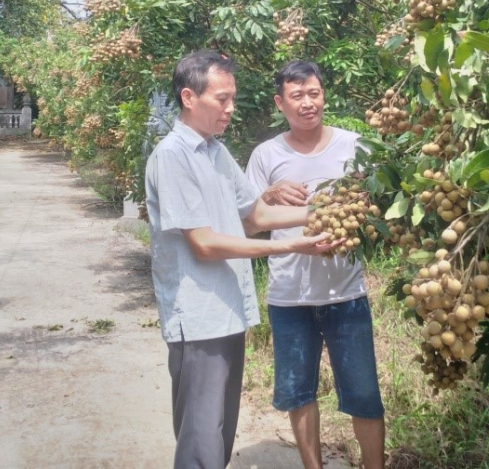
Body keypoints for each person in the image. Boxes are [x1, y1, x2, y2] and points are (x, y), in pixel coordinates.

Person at [144, 49, 341, 469]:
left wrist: (324, 213)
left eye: (232, 98)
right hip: (198, 317)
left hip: (226, 312)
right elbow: (205, 244)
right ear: (188, 97)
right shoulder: (173, 156)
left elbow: (257, 215)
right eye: (222, 99)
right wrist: (290, 246)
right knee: (201, 440)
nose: (231, 108)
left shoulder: (215, 152)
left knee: (218, 435)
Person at [245, 60, 385, 469]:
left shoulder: (355, 145)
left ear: (324, 94)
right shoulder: (265, 155)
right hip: (289, 298)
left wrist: (360, 213)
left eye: (314, 93)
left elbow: (379, 205)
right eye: (297, 96)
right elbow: (247, 223)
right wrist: (268, 195)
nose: (308, 103)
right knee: (299, 393)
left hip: (347, 292)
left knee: (364, 394)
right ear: (279, 102)